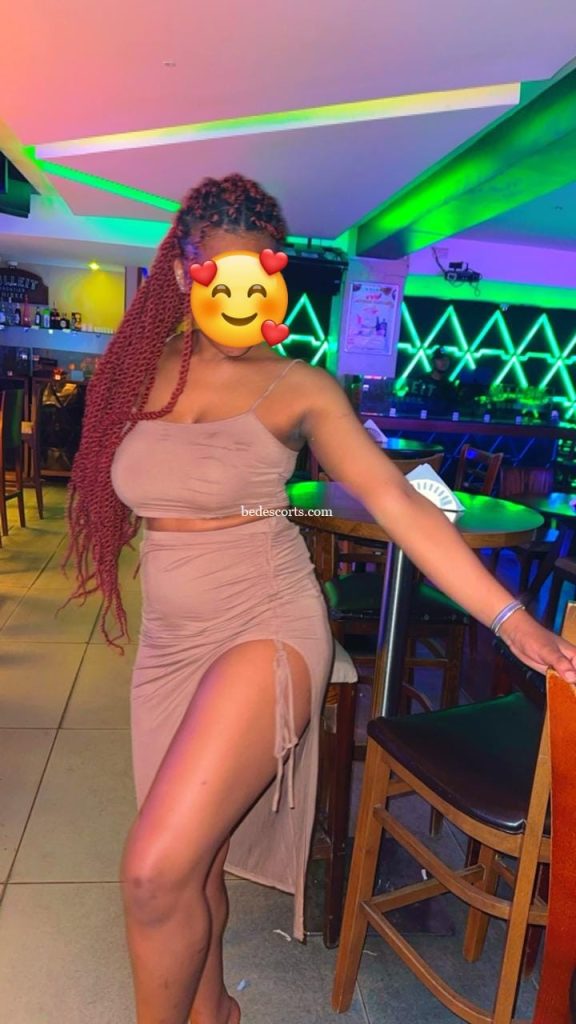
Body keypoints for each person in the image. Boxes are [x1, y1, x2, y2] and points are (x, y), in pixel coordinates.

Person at [64, 173, 576, 1024]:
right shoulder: (136, 371)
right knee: (192, 863)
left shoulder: (299, 386)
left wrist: (511, 618)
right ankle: (214, 1011)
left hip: (264, 625)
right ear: (183, 272)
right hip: (170, 643)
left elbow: (398, 502)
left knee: (151, 875)